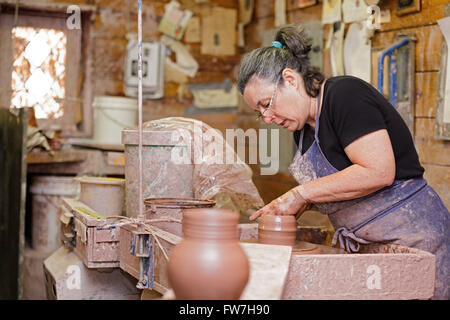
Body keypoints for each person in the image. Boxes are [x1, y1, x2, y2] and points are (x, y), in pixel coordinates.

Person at [237, 24, 449, 300]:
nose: (267, 117)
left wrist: (300, 193)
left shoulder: (344, 95)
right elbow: (341, 185)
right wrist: (299, 203)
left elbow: (378, 172)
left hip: (415, 240)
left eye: (267, 104)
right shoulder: (302, 131)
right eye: (259, 112)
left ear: (289, 79)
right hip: (366, 252)